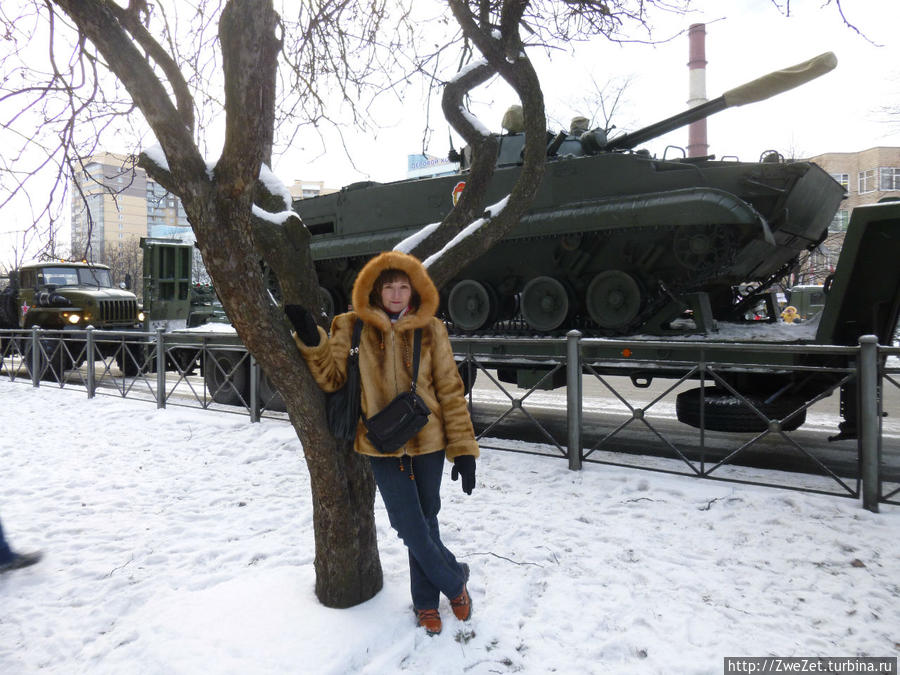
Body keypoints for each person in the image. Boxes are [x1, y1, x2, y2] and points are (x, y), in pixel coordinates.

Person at [286, 250, 478, 636]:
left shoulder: (431, 328)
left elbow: (451, 392)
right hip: (380, 442)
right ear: (375, 290)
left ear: (414, 289)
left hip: (429, 441)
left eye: (403, 286)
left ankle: (425, 604)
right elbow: (332, 377)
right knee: (408, 525)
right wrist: (312, 339)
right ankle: (454, 580)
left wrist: (464, 450)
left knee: (426, 520)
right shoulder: (351, 325)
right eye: (389, 286)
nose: (396, 293)